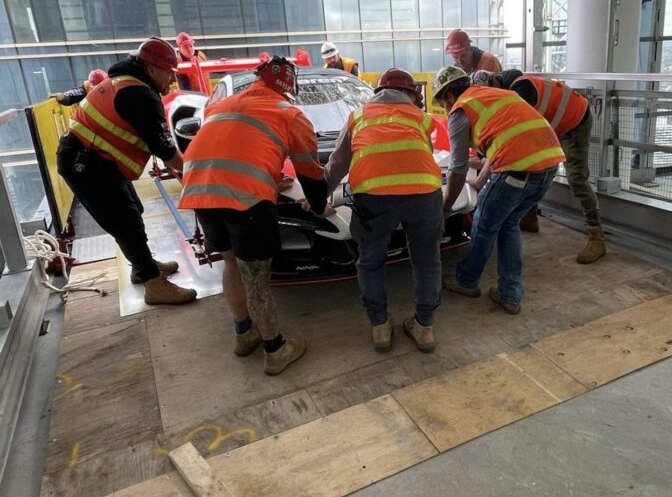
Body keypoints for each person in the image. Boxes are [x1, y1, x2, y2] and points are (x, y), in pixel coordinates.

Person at [178, 56, 328, 376]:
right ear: (290, 88)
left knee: (231, 262)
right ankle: (275, 349)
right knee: (257, 276)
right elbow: (311, 173)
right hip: (245, 200)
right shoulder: (289, 113)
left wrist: (269, 174)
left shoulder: (220, 106)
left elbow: (233, 147)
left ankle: (244, 334)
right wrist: (318, 206)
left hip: (201, 193)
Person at [56, 39, 197, 306]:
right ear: (152, 68)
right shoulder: (139, 94)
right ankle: (153, 284)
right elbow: (165, 151)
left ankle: (141, 265)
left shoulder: (124, 83)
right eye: (169, 72)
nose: (172, 79)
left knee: (133, 211)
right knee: (125, 221)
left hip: (94, 160)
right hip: (87, 165)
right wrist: (196, 172)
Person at [325, 68, 443, 353]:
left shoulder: (359, 116)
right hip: (424, 194)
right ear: (410, 95)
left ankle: (380, 328)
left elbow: (338, 163)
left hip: (373, 198)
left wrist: (319, 196)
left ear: (377, 92)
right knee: (427, 262)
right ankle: (424, 328)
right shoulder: (421, 117)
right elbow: (422, 154)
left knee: (371, 262)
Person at [432, 66, 565, 314]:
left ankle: (466, 280)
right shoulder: (499, 95)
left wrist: (446, 206)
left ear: (449, 96)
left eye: (442, 103)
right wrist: (480, 182)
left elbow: (457, 169)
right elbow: (508, 140)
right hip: (549, 167)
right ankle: (510, 294)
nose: (445, 109)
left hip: (516, 172)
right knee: (508, 223)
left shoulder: (461, 110)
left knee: (483, 226)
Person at [501, 70, 606, 263]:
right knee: (534, 165)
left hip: (575, 122)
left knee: (576, 178)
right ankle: (530, 218)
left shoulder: (521, 91)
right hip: (557, 123)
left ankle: (596, 236)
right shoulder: (516, 88)